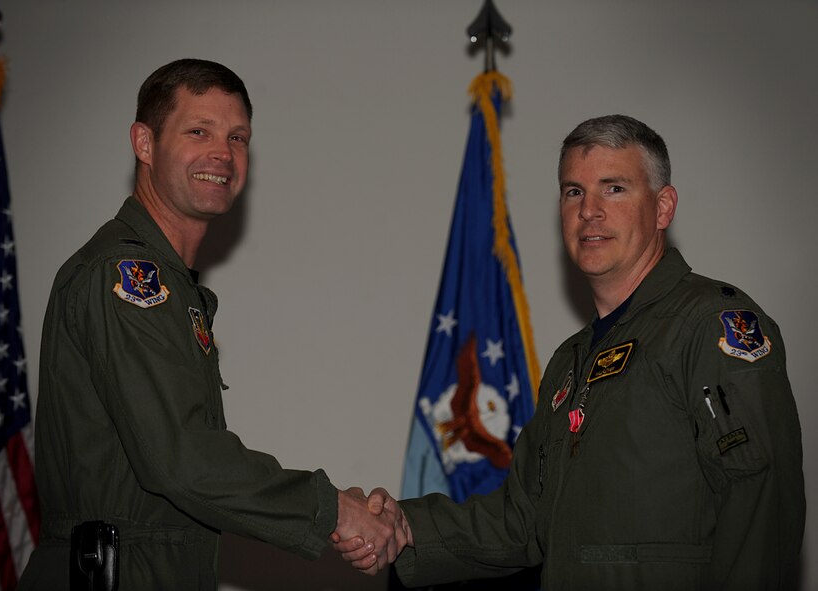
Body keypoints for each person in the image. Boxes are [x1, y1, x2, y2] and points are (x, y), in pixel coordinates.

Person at [335, 114, 806, 590]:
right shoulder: (570, 362)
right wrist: (406, 527)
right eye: (573, 191)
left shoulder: (708, 325)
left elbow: (761, 503)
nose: (590, 211)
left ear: (664, 208)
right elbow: (521, 520)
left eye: (614, 189)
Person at [18, 58, 405, 589]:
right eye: (198, 130)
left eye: (238, 137)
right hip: (119, 575)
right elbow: (182, 459)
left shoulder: (171, 283)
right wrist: (334, 511)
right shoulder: (128, 276)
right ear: (144, 143)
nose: (223, 153)